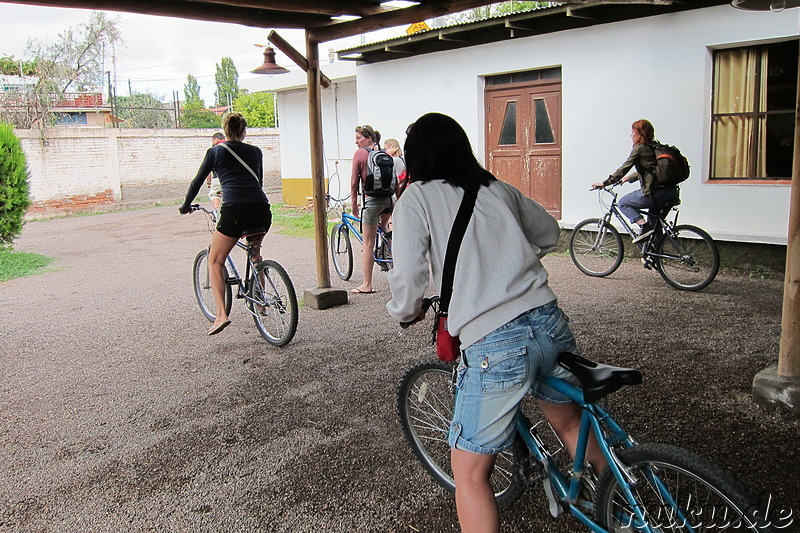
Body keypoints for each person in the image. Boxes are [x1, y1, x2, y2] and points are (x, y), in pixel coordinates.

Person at [386, 112, 606, 533]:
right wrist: (508, 264)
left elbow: (409, 276)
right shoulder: (496, 188)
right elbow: (548, 233)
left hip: (494, 343)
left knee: (469, 474)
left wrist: (405, 311)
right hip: (548, 321)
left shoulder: (416, 198)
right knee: (571, 421)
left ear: (416, 157)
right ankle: (622, 504)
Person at [179, 113, 271, 336]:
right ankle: (260, 301)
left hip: (234, 211)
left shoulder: (215, 152)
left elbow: (197, 181)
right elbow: (258, 181)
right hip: (261, 209)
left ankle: (221, 315)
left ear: (225, 129)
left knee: (215, 260)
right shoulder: (256, 151)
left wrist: (185, 205)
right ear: (244, 131)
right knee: (255, 254)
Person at [592, 119, 680, 244]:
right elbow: (652, 170)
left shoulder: (640, 148)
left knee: (623, 203)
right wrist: (629, 178)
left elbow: (624, 168)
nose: (631, 135)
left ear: (640, 134)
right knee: (654, 226)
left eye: (633, 132)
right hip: (670, 192)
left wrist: (605, 183)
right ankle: (654, 259)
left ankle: (644, 227)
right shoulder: (654, 147)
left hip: (655, 193)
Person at [350, 124, 392, 294]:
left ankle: (366, 284)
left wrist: (354, 204)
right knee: (385, 232)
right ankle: (391, 262)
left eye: (359, 138)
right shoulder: (384, 153)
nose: (356, 142)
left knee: (368, 242)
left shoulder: (360, 154)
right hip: (388, 201)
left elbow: (354, 182)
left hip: (372, 202)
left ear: (368, 138)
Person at [206, 132, 225, 210]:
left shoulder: (213, 151)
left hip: (217, 178)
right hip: (232, 180)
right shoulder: (232, 148)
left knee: (214, 194)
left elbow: (208, 171)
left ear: (216, 139)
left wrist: (209, 183)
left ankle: (217, 212)